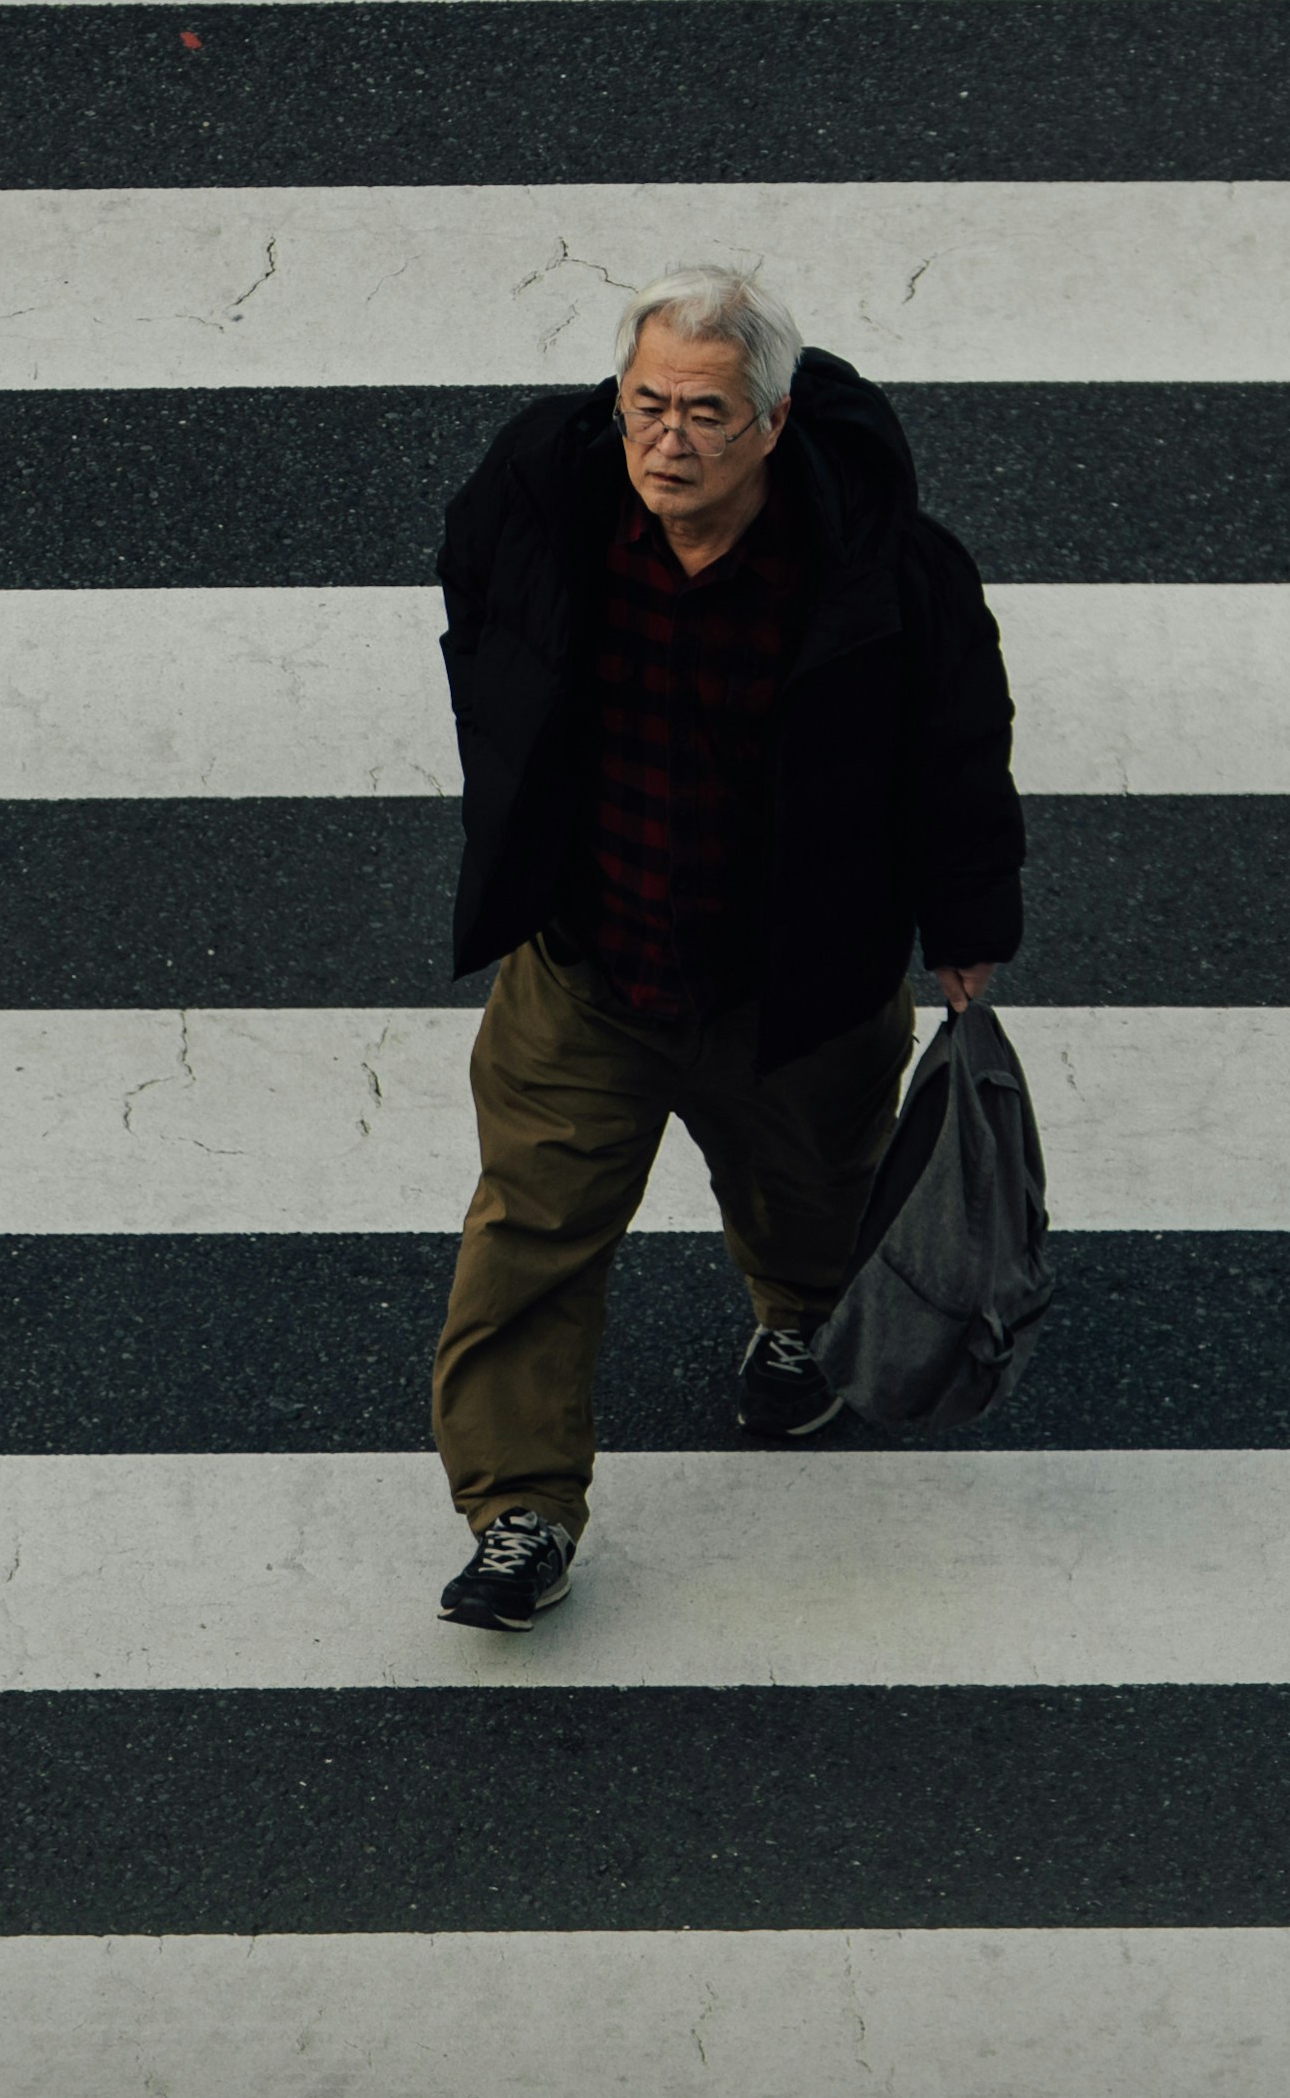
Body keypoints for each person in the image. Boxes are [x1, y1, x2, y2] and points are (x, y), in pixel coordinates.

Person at [427, 266, 1023, 1633]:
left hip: (793, 979)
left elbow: (953, 744)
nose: (665, 442)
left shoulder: (877, 566)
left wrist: (967, 924)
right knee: (530, 1233)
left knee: (811, 1194)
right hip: (590, 964)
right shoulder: (548, 507)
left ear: (771, 420)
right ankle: (517, 1508)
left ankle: (797, 1317)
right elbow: (483, 614)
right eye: (644, 405)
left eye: (702, 412)